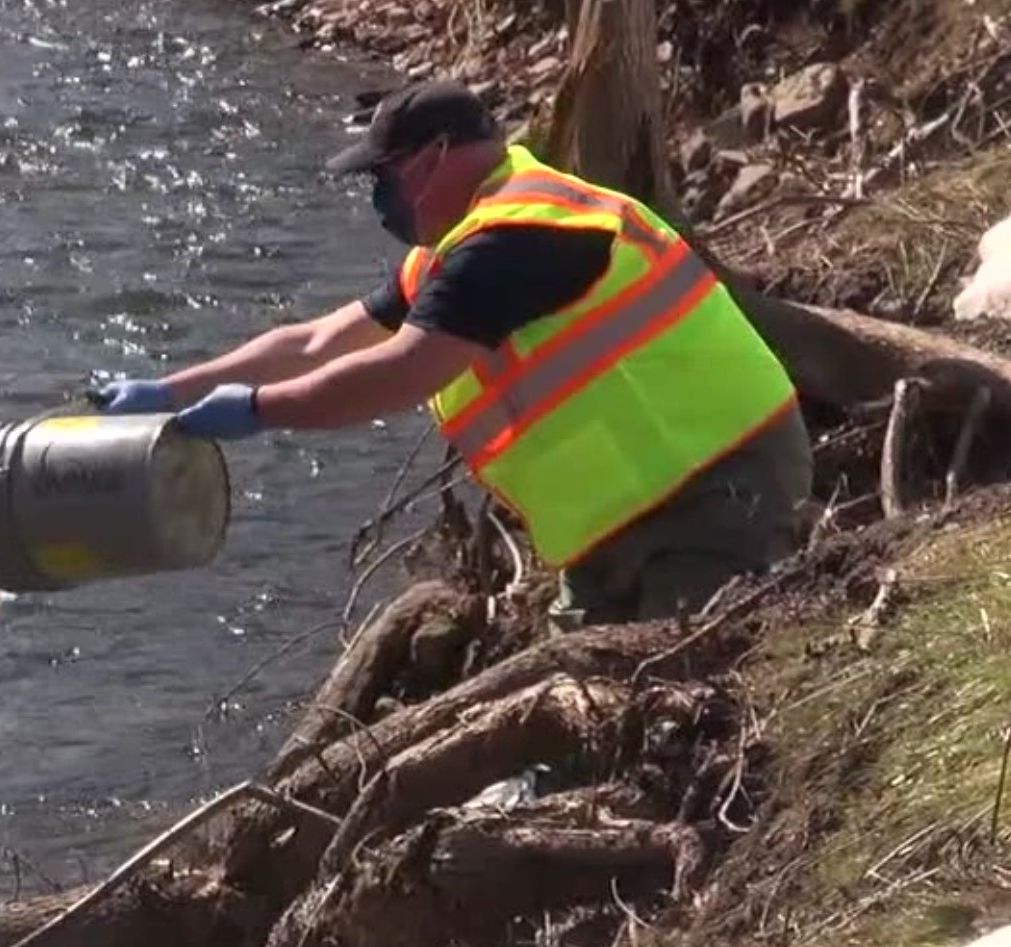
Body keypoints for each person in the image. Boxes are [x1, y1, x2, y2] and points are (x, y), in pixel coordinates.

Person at [93, 80, 813, 628]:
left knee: (687, 691)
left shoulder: (513, 240)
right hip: (625, 508)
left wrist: (257, 411)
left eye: (382, 176)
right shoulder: (467, 241)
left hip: (713, 486)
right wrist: (171, 391)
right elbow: (314, 341)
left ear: (434, 158)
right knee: (598, 700)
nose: (378, 197)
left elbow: (405, 370)